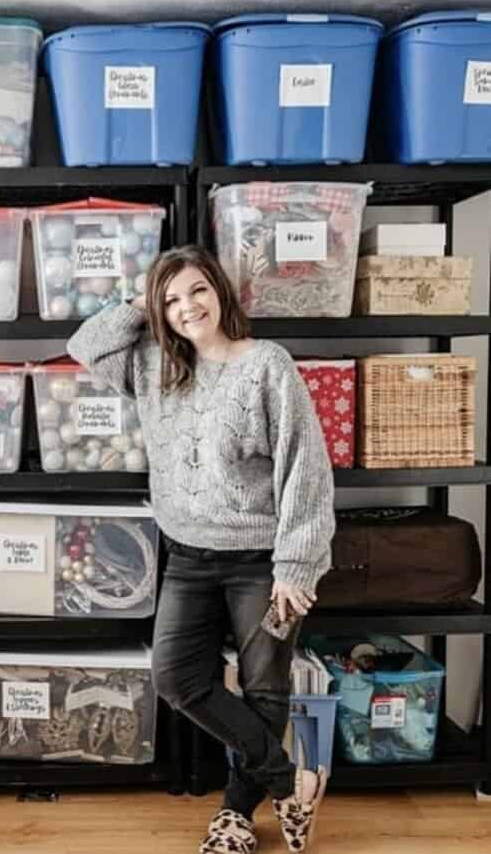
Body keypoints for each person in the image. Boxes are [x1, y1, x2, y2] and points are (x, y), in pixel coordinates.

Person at [67, 246, 335, 854]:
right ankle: (293, 782)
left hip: (261, 561)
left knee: (265, 689)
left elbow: (306, 468)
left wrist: (295, 564)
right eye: (173, 299)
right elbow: (86, 344)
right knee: (176, 678)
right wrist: (145, 301)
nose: (188, 307)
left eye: (198, 291)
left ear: (220, 291)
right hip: (187, 557)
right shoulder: (153, 364)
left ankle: (236, 816)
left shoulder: (266, 364)